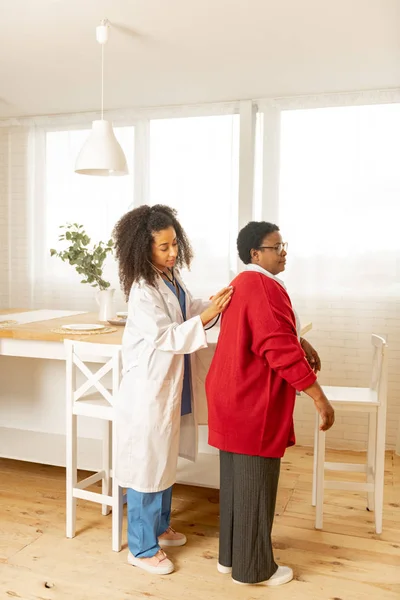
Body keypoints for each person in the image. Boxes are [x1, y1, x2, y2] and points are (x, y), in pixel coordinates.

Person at [206, 221, 334, 587]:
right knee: (256, 484)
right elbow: (274, 347)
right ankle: (254, 569)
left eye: (283, 245)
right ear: (255, 254)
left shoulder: (241, 283)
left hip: (229, 393)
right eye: (277, 247)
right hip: (250, 400)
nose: (284, 253)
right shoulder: (262, 286)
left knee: (235, 482)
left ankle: (230, 559)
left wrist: (300, 342)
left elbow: (266, 332)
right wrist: (319, 397)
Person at [112, 204, 233, 576]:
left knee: (163, 459)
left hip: (170, 385)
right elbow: (166, 335)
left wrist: (210, 305)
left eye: (174, 244)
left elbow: (185, 311)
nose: (171, 253)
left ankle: (160, 529)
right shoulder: (142, 289)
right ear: (142, 248)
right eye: (163, 247)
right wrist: (207, 317)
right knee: (148, 465)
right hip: (149, 390)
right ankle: (141, 548)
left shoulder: (168, 278)